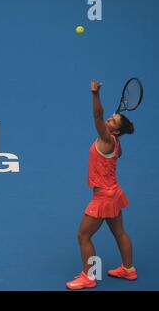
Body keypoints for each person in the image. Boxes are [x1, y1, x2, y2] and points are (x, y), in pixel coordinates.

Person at [66, 80, 137, 290]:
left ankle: (88, 277)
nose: (108, 119)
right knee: (119, 232)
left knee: (83, 235)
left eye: (113, 121)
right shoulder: (117, 144)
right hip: (114, 193)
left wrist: (95, 94)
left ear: (115, 131)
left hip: (103, 198)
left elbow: (97, 115)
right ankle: (128, 269)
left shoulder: (107, 139)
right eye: (111, 118)